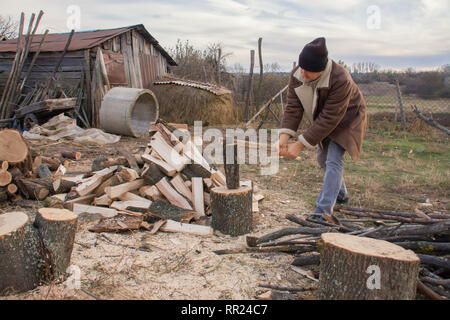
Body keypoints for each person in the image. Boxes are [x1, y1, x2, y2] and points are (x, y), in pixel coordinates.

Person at [278, 37, 367, 219]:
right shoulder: (298, 74)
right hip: (326, 117)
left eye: (309, 71)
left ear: (321, 69)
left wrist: (300, 145)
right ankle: (341, 194)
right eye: (302, 68)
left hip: (348, 118)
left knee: (333, 160)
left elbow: (330, 117)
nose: (303, 74)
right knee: (322, 159)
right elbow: (293, 107)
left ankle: (322, 212)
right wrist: (284, 137)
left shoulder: (341, 78)